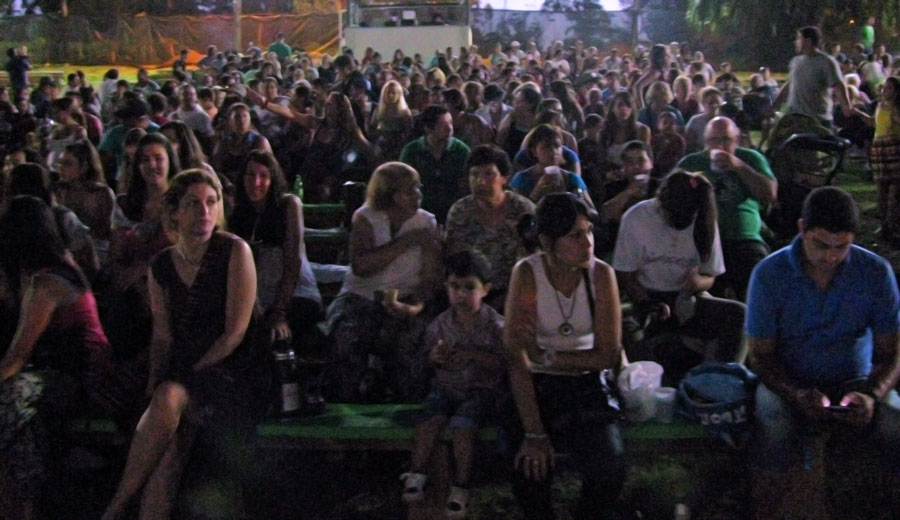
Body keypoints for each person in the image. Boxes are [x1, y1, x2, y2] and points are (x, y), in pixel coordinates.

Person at [102, 169, 269, 520]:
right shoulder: (162, 265)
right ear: (176, 211)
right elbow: (163, 335)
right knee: (167, 447)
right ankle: (124, 507)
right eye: (194, 204)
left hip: (232, 368)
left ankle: (116, 506)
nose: (205, 212)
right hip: (183, 370)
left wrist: (187, 374)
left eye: (211, 202)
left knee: (171, 401)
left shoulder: (234, 251)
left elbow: (235, 332)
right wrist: (154, 382)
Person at [746, 186, 900, 520]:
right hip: (788, 378)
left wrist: (872, 393)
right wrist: (796, 392)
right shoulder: (770, 275)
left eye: (841, 247)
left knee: (894, 422)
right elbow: (760, 355)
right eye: (820, 245)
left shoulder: (874, 272)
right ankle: (767, 504)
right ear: (801, 229)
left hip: (855, 378)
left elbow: (891, 353)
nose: (830, 256)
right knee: (773, 422)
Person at [502, 192, 626, 520]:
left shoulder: (600, 275)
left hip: (586, 387)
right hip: (535, 386)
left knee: (609, 470)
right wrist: (534, 433)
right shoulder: (527, 274)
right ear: (547, 241)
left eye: (589, 232)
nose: (587, 243)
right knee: (529, 469)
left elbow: (606, 355)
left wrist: (544, 356)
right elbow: (516, 357)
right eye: (575, 235)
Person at [0, 196, 117, 519]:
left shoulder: (47, 284)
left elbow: (15, 360)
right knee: (24, 427)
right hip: (63, 374)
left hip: (85, 378)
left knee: (9, 401)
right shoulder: (58, 266)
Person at [401, 250, 506, 519]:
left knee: (463, 425)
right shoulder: (441, 324)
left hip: (479, 391)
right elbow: (428, 358)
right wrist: (435, 357)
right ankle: (417, 472)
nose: (461, 294)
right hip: (446, 387)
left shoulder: (495, 325)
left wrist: (472, 354)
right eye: (455, 287)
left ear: (485, 290)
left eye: (469, 288)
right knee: (429, 418)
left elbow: (503, 363)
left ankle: (461, 484)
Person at [325, 162, 442, 401]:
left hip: (408, 297)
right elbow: (361, 267)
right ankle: (343, 406)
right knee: (347, 334)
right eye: (409, 191)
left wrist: (413, 307)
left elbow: (430, 280)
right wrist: (406, 242)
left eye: (418, 189)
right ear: (390, 195)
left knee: (411, 339)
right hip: (361, 296)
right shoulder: (366, 218)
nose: (417, 196)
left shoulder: (427, 223)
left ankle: (405, 404)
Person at [612, 171, 746, 366]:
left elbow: (710, 274)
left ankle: (718, 377)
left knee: (738, 315)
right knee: (622, 323)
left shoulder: (704, 220)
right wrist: (647, 303)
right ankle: (648, 378)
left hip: (687, 296)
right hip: (644, 295)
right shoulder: (637, 218)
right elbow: (626, 275)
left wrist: (696, 284)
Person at [676, 116, 776, 300]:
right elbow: (671, 197)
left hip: (743, 238)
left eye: (727, 140)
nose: (720, 146)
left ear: (737, 140)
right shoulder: (691, 163)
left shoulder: (750, 158)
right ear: (705, 142)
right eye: (714, 140)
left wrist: (739, 166)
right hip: (702, 240)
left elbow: (770, 195)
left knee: (760, 284)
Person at [228, 150, 322, 343]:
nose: (256, 183)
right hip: (257, 298)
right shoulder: (238, 212)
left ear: (273, 179)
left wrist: (279, 311)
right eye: (250, 175)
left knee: (269, 334)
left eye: (263, 176)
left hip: (294, 294)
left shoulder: (288, 205)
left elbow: (292, 263)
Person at [446, 145, 536, 310]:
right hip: (474, 294)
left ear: (504, 178)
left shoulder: (523, 210)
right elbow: (456, 257)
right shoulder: (460, 211)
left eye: (489, 174)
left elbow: (534, 259)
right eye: (474, 175)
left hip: (517, 291)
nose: (480, 181)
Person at [399, 105, 471, 224]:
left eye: (451, 123)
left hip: (454, 211)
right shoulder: (412, 151)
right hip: (419, 210)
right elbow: (402, 183)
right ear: (428, 128)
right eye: (443, 124)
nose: (449, 128)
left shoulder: (461, 151)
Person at [774, 26, 853, 127]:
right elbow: (791, 83)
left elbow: (838, 85)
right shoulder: (796, 61)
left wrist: (846, 107)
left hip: (817, 119)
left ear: (808, 41)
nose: (796, 42)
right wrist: (776, 103)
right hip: (795, 117)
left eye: (799, 38)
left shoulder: (826, 62)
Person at [53, 140, 115, 264]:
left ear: (84, 167)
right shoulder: (59, 190)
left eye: (68, 164)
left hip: (97, 249)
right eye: (61, 163)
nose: (62, 168)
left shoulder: (101, 193)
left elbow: (110, 230)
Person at [509, 124, 593, 209]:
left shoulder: (571, 179)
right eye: (546, 146)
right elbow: (517, 214)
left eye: (557, 146)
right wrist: (536, 193)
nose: (553, 151)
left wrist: (570, 197)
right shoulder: (522, 179)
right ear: (534, 151)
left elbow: (591, 211)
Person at [868, 76, 900, 246]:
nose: (884, 91)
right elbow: (875, 124)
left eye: (888, 88)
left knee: (895, 190)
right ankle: (885, 226)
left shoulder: (895, 108)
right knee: (882, 188)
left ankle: (891, 225)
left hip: (893, 146)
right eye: (884, 88)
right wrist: (858, 113)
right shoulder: (880, 106)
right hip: (880, 147)